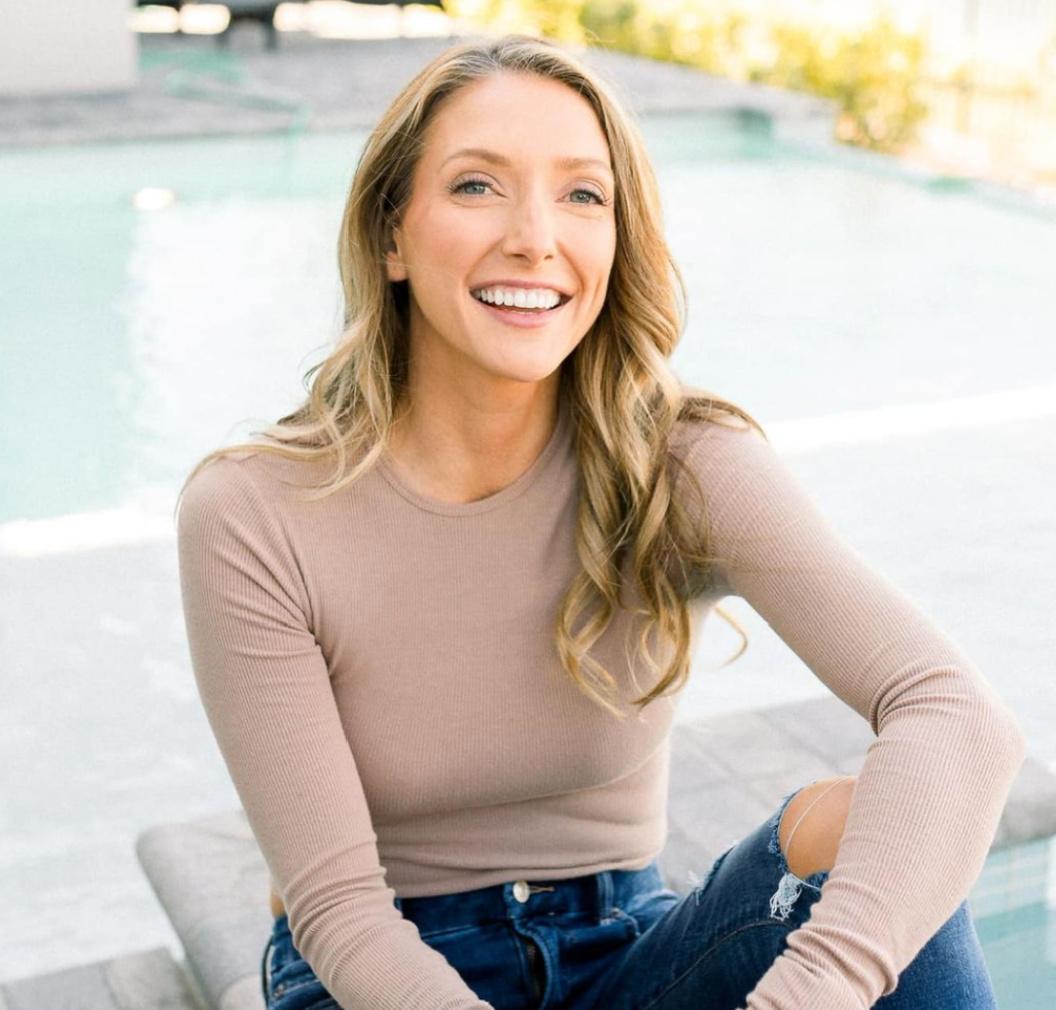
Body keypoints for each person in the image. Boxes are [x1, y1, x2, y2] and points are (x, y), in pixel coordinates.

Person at [175, 33, 1027, 1010]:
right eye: (477, 186)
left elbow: (959, 719)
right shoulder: (253, 512)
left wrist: (812, 992)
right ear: (390, 235)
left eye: (583, 194)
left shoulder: (682, 459)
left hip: (626, 952)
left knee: (881, 828)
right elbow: (337, 910)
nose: (537, 235)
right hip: (378, 969)